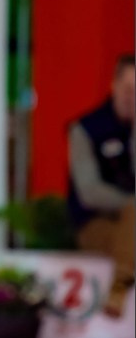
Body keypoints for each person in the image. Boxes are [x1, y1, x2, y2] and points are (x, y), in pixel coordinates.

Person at [67, 53, 135, 321]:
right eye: (129, 89)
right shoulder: (85, 129)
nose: (133, 97)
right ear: (114, 86)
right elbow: (90, 192)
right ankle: (119, 286)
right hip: (94, 224)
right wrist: (129, 202)